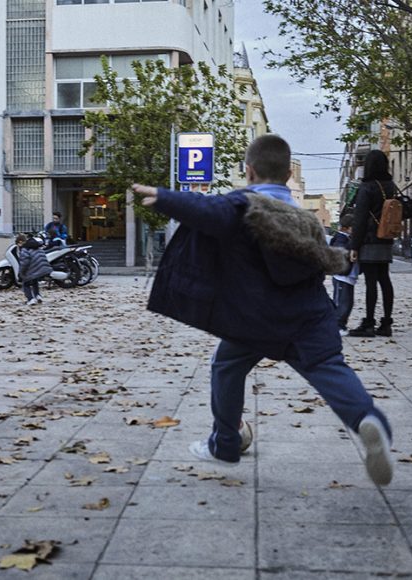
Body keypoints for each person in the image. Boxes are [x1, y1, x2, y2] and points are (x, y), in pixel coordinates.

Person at [131, 134, 394, 486]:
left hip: (255, 318)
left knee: (226, 366)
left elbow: (210, 210)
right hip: (309, 317)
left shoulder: (245, 207)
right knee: (329, 367)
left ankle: (225, 443)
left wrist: (165, 197)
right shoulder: (307, 221)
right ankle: (367, 419)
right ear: (288, 176)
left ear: (249, 171)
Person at [348, 150, 397, 338]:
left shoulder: (367, 187)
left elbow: (359, 219)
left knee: (371, 282)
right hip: (386, 238)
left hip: (369, 241)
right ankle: (386, 323)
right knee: (384, 279)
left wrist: (354, 246)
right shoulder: (391, 186)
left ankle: (369, 322)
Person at [16, 233, 51, 306]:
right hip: (40, 266)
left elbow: (25, 263)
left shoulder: (24, 249)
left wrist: (21, 273)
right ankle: (38, 296)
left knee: (26, 283)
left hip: (34, 267)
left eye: (17, 244)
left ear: (20, 242)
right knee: (34, 281)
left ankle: (30, 299)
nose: (18, 246)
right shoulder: (34, 244)